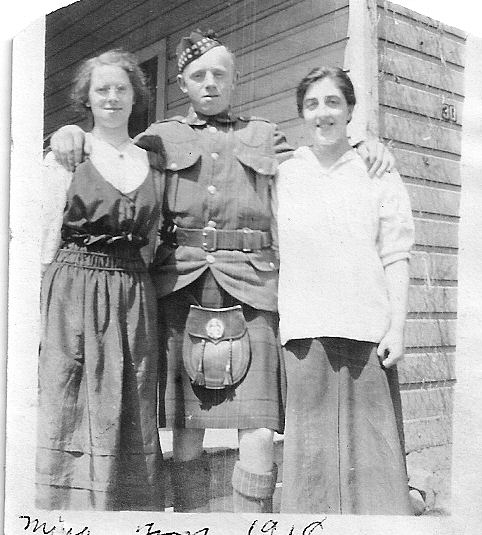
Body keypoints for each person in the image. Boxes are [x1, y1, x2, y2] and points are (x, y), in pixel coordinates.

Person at [49, 31, 395, 513]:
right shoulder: (159, 138)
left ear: (234, 80)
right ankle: (194, 521)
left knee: (258, 430)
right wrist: (69, 133)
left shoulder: (265, 135)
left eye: (219, 74)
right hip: (181, 287)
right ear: (182, 85)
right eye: (198, 76)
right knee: (186, 430)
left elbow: (317, 158)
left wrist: (363, 143)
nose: (209, 83)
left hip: (252, 289)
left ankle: (251, 522)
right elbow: (113, 152)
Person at [276, 66, 415, 515]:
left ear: (351, 110)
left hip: (366, 331)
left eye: (333, 102)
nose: (323, 113)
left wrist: (397, 328)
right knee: (312, 465)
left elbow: (396, 254)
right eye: (312, 104)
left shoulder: (377, 172)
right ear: (302, 113)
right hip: (306, 333)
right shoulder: (284, 175)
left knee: (374, 463)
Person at [37, 49, 165, 511]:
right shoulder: (68, 155)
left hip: (132, 290)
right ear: (87, 99)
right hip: (75, 286)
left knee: (130, 397)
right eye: (102, 89)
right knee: (72, 396)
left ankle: (125, 514)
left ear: (135, 97)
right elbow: (43, 236)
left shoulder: (152, 161)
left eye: (121, 89)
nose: (112, 97)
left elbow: (153, 239)